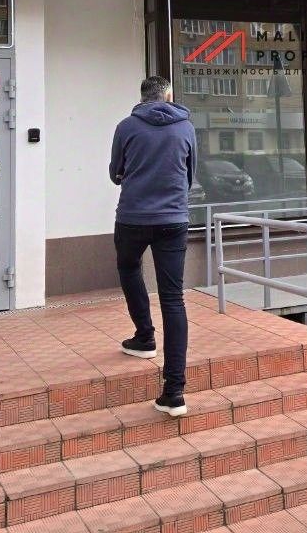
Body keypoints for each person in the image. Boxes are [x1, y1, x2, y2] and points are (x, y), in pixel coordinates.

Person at [109, 76, 197, 417]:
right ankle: (174, 393)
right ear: (168, 95)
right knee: (173, 299)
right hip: (174, 219)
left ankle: (145, 337)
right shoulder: (185, 127)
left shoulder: (126, 127)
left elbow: (115, 172)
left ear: (143, 97)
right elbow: (189, 175)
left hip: (132, 217)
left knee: (129, 268)